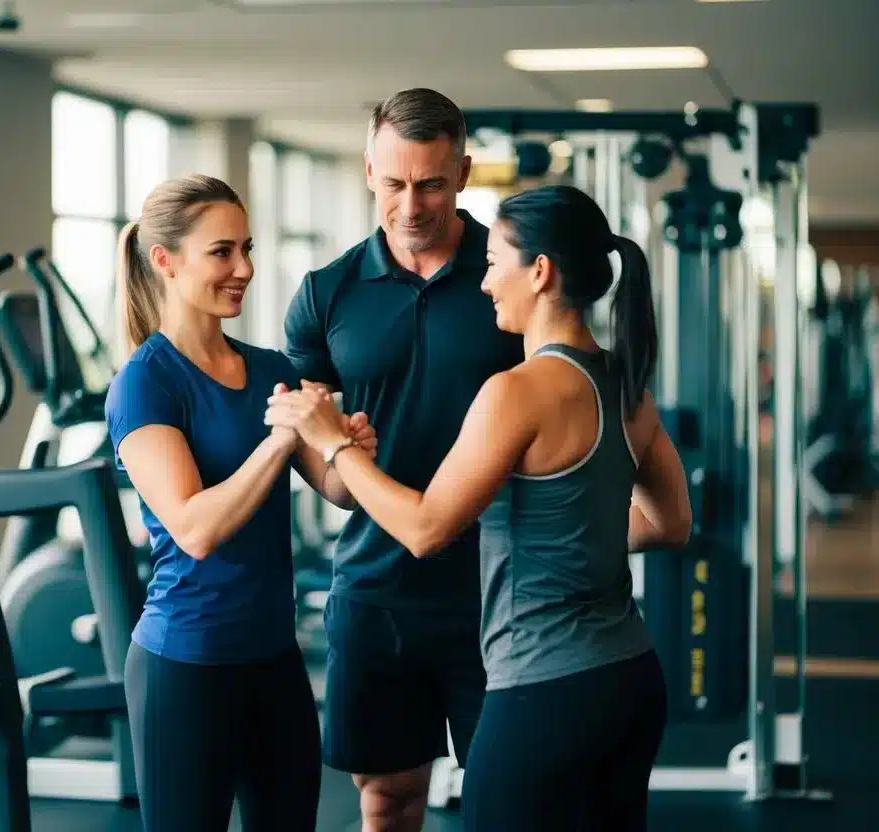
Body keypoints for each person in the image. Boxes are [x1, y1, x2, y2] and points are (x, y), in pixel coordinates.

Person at [266, 183, 694, 831]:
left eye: (494, 262)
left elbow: (425, 529)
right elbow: (670, 524)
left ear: (540, 272)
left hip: (543, 688)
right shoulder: (623, 381)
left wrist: (333, 446)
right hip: (629, 678)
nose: (486, 281)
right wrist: (568, 536)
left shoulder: (516, 392)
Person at [103, 172, 377, 832]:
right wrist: (282, 438)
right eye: (221, 252)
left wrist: (350, 448)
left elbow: (337, 492)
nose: (244, 269)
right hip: (185, 665)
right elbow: (195, 527)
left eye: (246, 248)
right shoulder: (144, 384)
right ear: (164, 261)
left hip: (274, 660)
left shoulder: (268, 368)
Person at [282, 87, 524, 830]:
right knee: (386, 801)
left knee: (508, 803)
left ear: (463, 173)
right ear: (367, 172)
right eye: (392, 184)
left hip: (502, 593)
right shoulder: (325, 294)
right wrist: (341, 474)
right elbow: (309, 438)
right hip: (376, 591)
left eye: (430, 184)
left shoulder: (511, 277)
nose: (410, 204)